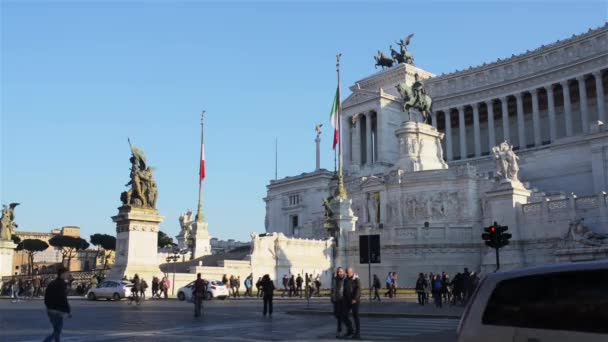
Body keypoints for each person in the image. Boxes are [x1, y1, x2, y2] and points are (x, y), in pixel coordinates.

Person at [43, 268, 71, 342]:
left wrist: (48, 307)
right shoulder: (62, 284)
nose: (68, 275)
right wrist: (67, 310)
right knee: (57, 331)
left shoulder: (52, 283)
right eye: (67, 273)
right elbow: (63, 298)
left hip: (50, 310)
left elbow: (46, 297)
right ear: (62, 274)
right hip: (58, 311)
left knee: (56, 330)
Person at [331, 267, 350, 339]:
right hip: (336, 300)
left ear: (343, 272)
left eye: (341, 272)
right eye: (338, 272)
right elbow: (333, 289)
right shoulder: (335, 279)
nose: (339, 273)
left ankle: (341, 331)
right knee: (337, 315)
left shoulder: (346, 279)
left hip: (343, 301)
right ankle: (348, 328)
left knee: (341, 316)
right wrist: (332, 298)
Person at [344, 268, 361, 339]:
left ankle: (357, 333)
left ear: (352, 272)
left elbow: (358, 289)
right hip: (347, 300)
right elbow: (344, 290)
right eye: (346, 272)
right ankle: (350, 329)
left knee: (355, 316)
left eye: (348, 272)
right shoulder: (345, 280)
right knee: (344, 315)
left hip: (355, 301)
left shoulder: (356, 279)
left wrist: (355, 298)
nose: (347, 274)